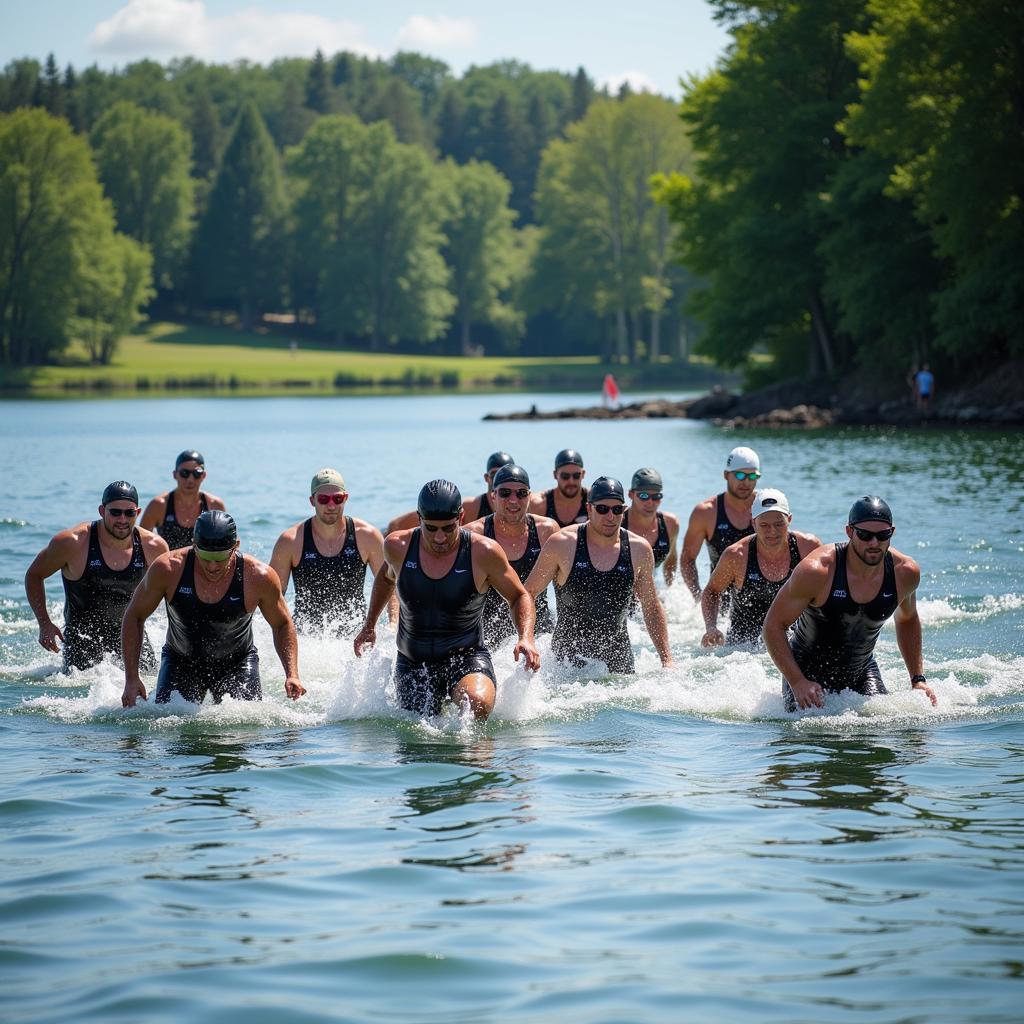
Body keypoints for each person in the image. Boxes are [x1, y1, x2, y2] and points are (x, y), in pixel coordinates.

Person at [353, 480, 540, 721]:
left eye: (448, 528)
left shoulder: (483, 552)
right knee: (417, 734)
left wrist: (526, 637)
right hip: (413, 663)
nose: (440, 537)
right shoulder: (397, 546)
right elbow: (386, 578)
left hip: (466, 658)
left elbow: (519, 595)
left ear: (461, 517)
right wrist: (369, 626)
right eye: (431, 528)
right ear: (419, 518)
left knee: (477, 705)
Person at [763, 496, 937, 711]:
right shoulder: (817, 571)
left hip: (861, 671)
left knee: (888, 725)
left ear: (892, 532)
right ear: (849, 532)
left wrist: (918, 680)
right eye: (865, 535)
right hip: (805, 672)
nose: (874, 543)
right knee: (808, 735)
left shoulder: (905, 573)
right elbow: (772, 626)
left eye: (882, 535)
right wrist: (797, 681)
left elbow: (908, 618)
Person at [121, 511, 305, 706]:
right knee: (170, 723)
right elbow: (134, 615)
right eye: (206, 556)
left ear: (236, 547)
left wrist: (292, 674)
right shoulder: (168, 569)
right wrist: (131, 678)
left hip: (237, 663)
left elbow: (282, 623)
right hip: (181, 661)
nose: (212, 566)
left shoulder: (258, 577)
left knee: (244, 728)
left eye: (220, 557)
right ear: (194, 545)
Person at [525, 477, 674, 673]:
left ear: (624, 510)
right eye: (602, 509)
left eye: (617, 510)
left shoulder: (639, 549)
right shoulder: (562, 544)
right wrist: (526, 639)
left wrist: (667, 660)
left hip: (619, 666)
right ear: (589, 508)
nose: (610, 516)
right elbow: (528, 593)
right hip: (566, 667)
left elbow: (651, 606)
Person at [24, 481, 168, 673]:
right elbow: (34, 575)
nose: (122, 519)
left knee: (151, 692)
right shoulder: (73, 542)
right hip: (83, 641)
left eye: (129, 513)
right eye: (115, 512)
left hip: (131, 636)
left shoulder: (153, 546)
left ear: (138, 512)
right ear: (102, 511)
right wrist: (44, 623)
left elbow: (170, 589)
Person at [270, 468, 384, 635]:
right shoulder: (291, 541)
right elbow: (272, 598)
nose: (331, 505)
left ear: (346, 498)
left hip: (355, 636)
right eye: (323, 499)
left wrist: (391, 626)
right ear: (312, 500)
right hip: (308, 639)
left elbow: (391, 586)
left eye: (337, 499)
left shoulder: (368, 536)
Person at [700, 488, 820, 647]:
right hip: (742, 649)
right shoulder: (737, 556)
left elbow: (827, 587)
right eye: (764, 525)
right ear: (753, 524)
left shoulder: (807, 547)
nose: (772, 532)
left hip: (794, 643)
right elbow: (711, 591)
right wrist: (711, 627)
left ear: (789, 520)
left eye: (779, 524)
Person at [465, 464, 560, 646]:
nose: (514, 500)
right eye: (505, 493)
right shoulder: (475, 534)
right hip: (490, 640)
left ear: (530, 496)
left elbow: (563, 586)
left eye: (521, 493)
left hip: (539, 637)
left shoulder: (546, 531)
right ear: (493, 496)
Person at [679, 446, 760, 603]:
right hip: (720, 602)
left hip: (760, 599)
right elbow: (687, 558)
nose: (746, 482)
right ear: (726, 475)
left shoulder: (766, 509)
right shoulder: (706, 512)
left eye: (752, 476)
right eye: (740, 475)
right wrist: (698, 597)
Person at [384, 451, 515, 536]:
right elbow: (421, 516)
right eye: (495, 474)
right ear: (486, 478)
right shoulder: (472, 506)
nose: (500, 479)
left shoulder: (525, 504)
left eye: (505, 475)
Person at [141, 449, 226, 551]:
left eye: (196, 473)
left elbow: (227, 544)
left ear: (203, 476)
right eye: (184, 473)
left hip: (203, 566)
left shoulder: (215, 506)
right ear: (175, 475)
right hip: (168, 565)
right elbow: (140, 543)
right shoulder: (159, 506)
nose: (190, 479)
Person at [623, 468, 680, 587]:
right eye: (644, 496)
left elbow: (670, 561)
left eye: (656, 496)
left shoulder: (670, 524)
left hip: (649, 589)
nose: (650, 502)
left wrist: (670, 593)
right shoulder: (617, 522)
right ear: (631, 495)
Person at [529, 449, 589, 527]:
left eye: (576, 476)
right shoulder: (539, 504)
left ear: (583, 474)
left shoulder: (595, 503)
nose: (571, 481)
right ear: (555, 475)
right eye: (565, 476)